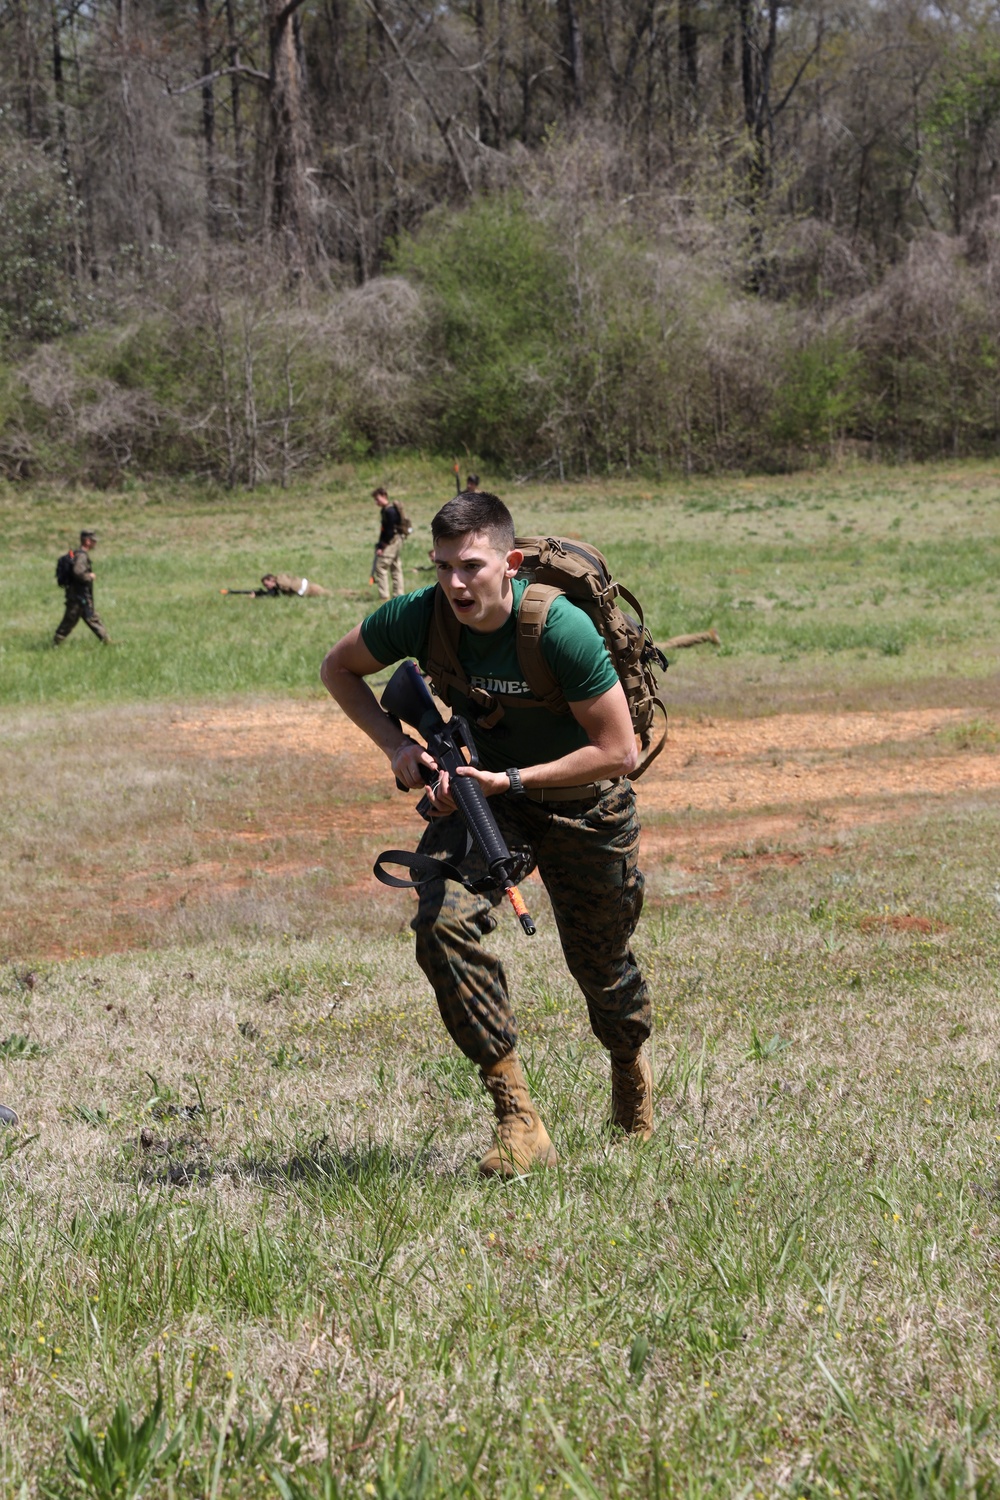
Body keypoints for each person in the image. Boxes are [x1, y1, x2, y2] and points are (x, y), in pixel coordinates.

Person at [321, 490, 653, 1177]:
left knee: (602, 966)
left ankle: (628, 1065)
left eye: (470, 565)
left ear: (512, 563)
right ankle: (517, 1116)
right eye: (442, 566)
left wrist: (518, 780)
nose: (454, 583)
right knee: (439, 923)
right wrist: (398, 749)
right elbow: (339, 668)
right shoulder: (420, 615)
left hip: (582, 802)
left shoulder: (558, 629)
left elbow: (619, 751)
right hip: (483, 796)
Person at [54, 529, 110, 646]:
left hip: (79, 595)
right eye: (93, 541)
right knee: (69, 620)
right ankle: (55, 644)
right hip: (78, 596)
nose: (95, 543)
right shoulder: (81, 556)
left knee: (92, 617)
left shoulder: (77, 554)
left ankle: (107, 641)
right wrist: (89, 576)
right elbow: (78, 571)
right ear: (87, 541)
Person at [371, 487, 406, 601]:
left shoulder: (390, 511)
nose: (376, 502)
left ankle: (384, 596)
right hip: (394, 541)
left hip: (392, 541)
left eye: (378, 499)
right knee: (395, 567)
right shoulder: (385, 510)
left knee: (381, 567)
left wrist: (382, 546)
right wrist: (379, 544)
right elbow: (384, 530)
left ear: (384, 496)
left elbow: (389, 532)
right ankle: (399, 595)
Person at [224, 573, 331, 598]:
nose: (267, 587)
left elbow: (272, 593)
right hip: (309, 589)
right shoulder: (280, 582)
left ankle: (348, 594)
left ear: (271, 580)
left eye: (267, 584)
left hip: (311, 590)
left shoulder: (281, 582)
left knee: (331, 594)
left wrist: (258, 596)